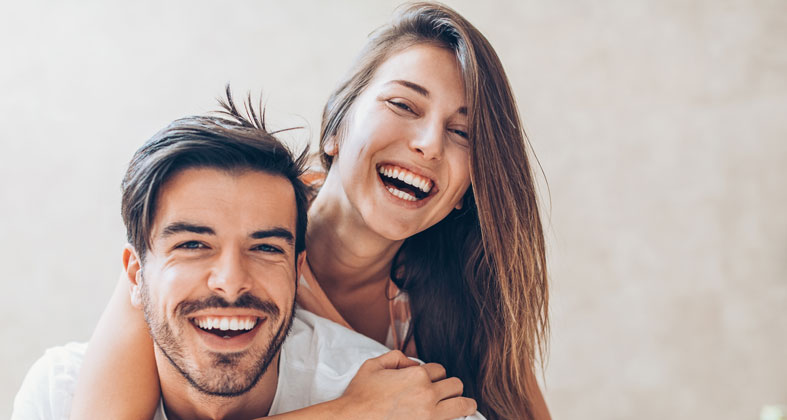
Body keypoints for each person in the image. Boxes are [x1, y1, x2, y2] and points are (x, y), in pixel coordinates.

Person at [70, 3, 550, 419]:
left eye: (462, 133)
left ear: (468, 189)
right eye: (403, 104)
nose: (427, 144)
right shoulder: (211, 239)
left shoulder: (470, 296)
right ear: (334, 131)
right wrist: (353, 414)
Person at [12, 92, 480, 420]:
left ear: (298, 270)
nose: (231, 281)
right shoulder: (61, 394)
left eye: (264, 248)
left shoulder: (406, 403)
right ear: (135, 274)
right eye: (193, 245)